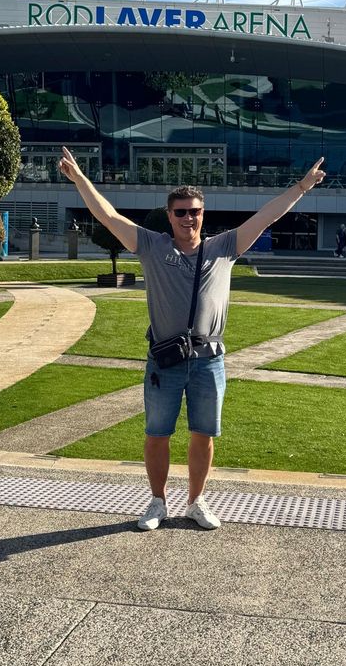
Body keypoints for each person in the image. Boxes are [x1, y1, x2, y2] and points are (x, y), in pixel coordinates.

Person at [59, 146, 326, 531]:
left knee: (203, 434)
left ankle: (196, 501)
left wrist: (301, 187)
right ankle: (157, 503)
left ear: (204, 214)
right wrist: (80, 179)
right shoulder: (152, 246)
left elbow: (267, 216)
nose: (188, 218)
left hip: (209, 362)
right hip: (165, 361)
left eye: (195, 211)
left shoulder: (224, 247)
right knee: (157, 434)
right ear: (169, 216)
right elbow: (108, 215)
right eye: (181, 212)